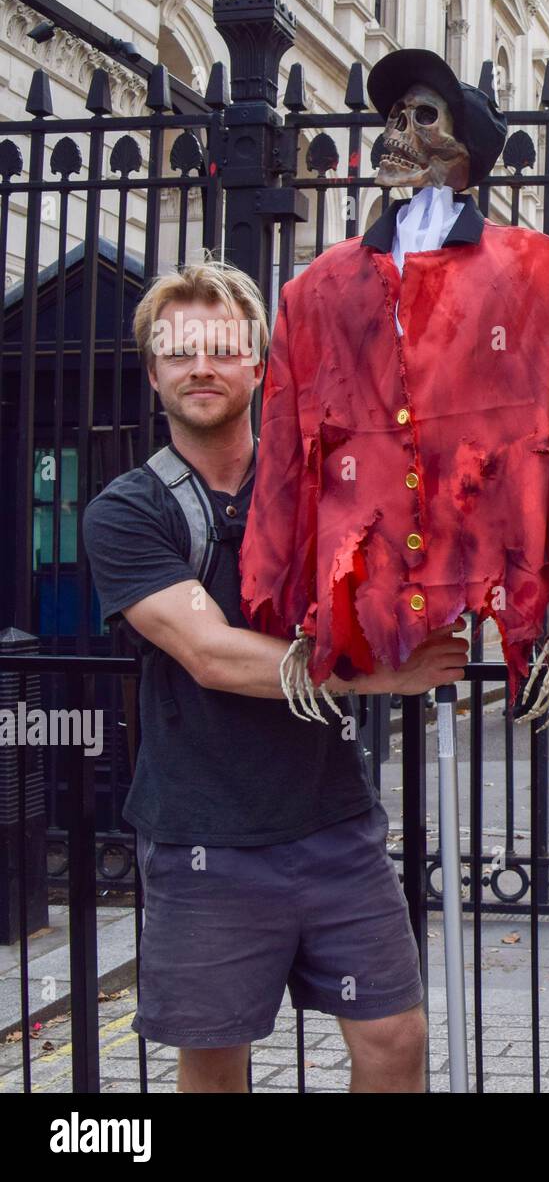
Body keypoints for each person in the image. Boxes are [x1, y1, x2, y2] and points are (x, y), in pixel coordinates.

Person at [81, 260, 469, 1093]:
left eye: (222, 347)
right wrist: (372, 681)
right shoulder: (127, 510)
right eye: (178, 351)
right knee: (217, 1066)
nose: (201, 367)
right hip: (203, 838)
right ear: (153, 372)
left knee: (395, 1040)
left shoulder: (324, 486)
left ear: (259, 361)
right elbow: (212, 655)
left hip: (333, 822)